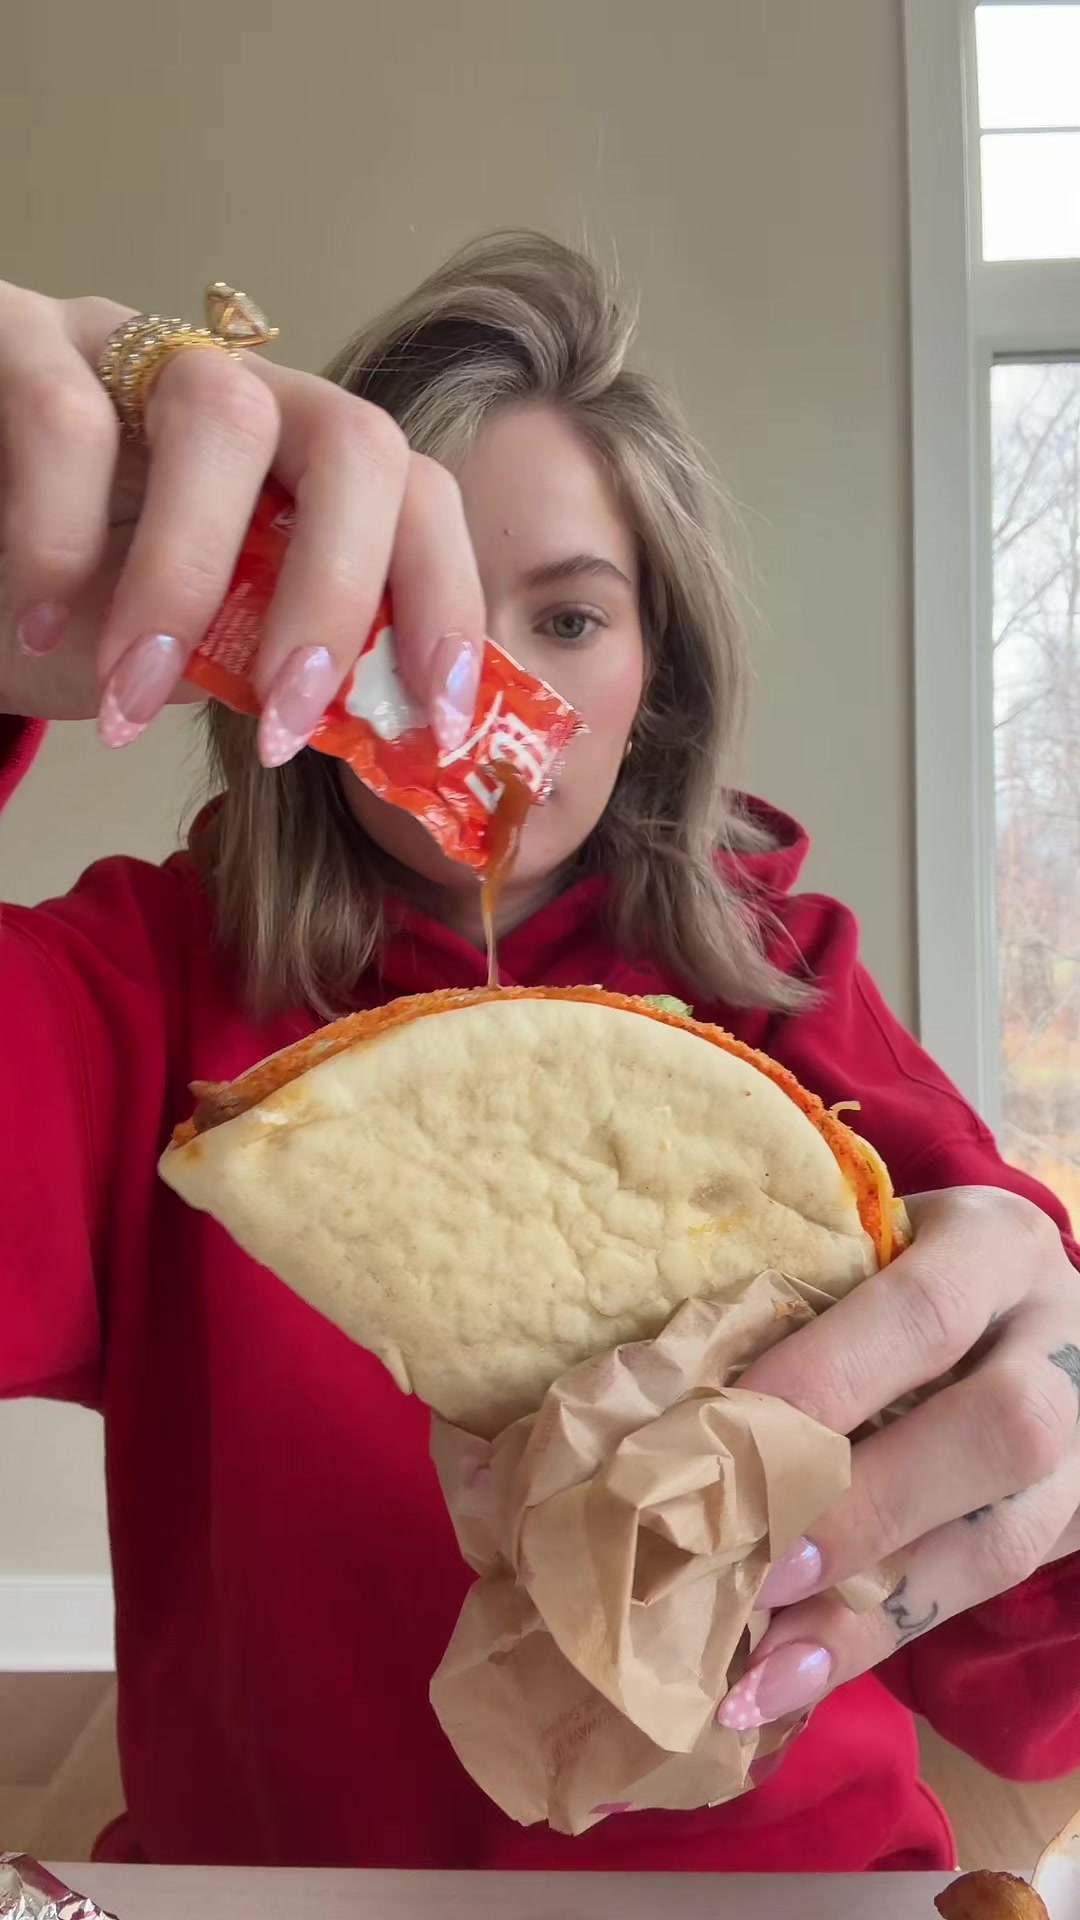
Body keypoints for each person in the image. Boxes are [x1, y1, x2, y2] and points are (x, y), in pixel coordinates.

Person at [1, 233, 1079, 1875]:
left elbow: (1036, 1685)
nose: (470, 694)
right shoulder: (142, 997)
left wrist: (1048, 1419)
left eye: (566, 618)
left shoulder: (782, 994)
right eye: (398, 610)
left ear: (658, 678)